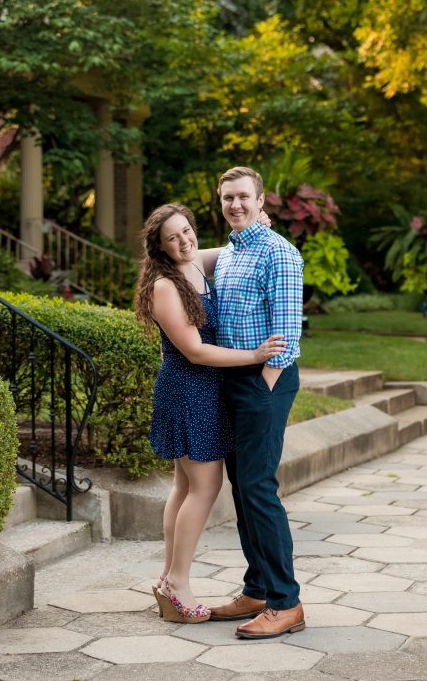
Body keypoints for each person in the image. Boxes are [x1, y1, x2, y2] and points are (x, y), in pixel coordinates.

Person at [134, 203, 287, 624]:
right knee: (205, 486)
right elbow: (195, 350)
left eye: (187, 231)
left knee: (184, 486)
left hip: (205, 390)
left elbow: (231, 250)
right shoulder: (165, 284)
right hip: (188, 390)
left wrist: (255, 225)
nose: (184, 241)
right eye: (173, 238)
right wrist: (254, 355)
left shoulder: (196, 262)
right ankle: (179, 583)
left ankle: (168, 578)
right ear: (159, 248)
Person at [207, 166, 306, 639]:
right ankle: (257, 588)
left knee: (259, 487)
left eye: (244, 197)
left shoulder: (280, 254)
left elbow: (286, 338)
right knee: (242, 489)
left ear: (262, 200)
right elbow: (183, 258)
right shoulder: (229, 252)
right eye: (228, 198)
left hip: (265, 381)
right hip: (231, 378)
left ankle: (287, 602)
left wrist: (261, 387)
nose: (235, 205)